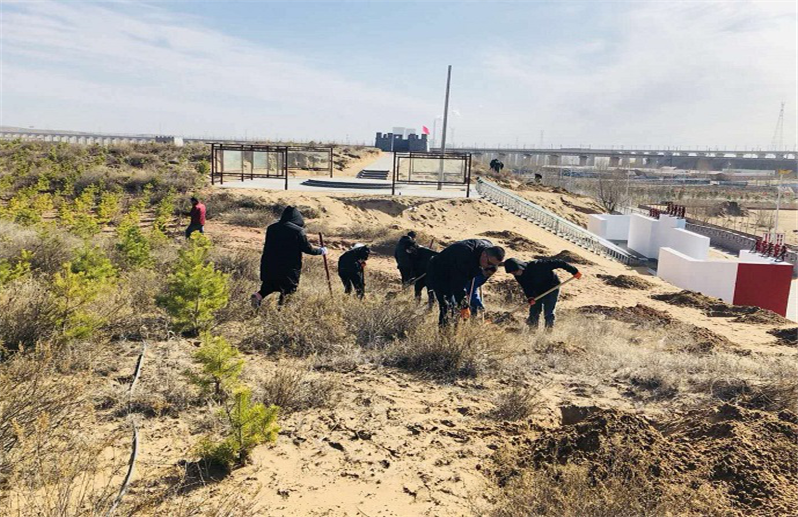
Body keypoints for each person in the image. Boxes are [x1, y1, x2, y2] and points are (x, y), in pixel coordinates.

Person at [251, 206, 327, 308]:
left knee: (268, 287)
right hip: (289, 267)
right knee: (288, 290)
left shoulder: (271, 228)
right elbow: (307, 249)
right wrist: (321, 251)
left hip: (269, 265)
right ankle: (281, 310)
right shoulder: (298, 231)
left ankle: (258, 296)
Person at [428, 239, 505, 326]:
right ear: (484, 254)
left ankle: (455, 328)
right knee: (448, 307)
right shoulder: (464, 255)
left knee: (456, 307)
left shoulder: (488, 249)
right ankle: (444, 332)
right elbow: (458, 284)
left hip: (457, 273)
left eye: (493, 265)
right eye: (489, 263)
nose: (489, 267)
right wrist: (464, 306)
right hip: (439, 272)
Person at [503, 257, 581, 329]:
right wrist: (530, 297)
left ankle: (548, 331)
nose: (514, 274)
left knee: (548, 312)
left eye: (515, 271)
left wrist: (574, 271)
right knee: (534, 311)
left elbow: (560, 263)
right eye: (512, 273)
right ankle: (532, 330)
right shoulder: (518, 275)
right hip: (536, 291)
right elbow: (525, 286)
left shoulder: (539, 265)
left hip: (552, 287)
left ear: (520, 266)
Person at [407, 243, 438, 308]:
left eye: (411, 249)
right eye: (409, 250)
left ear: (414, 247)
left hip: (428, 275)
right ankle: (416, 305)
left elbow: (438, 255)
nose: (410, 251)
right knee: (417, 290)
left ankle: (431, 307)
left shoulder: (424, 250)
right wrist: (412, 277)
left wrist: (431, 266)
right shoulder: (411, 255)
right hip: (419, 276)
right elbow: (412, 267)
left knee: (430, 291)